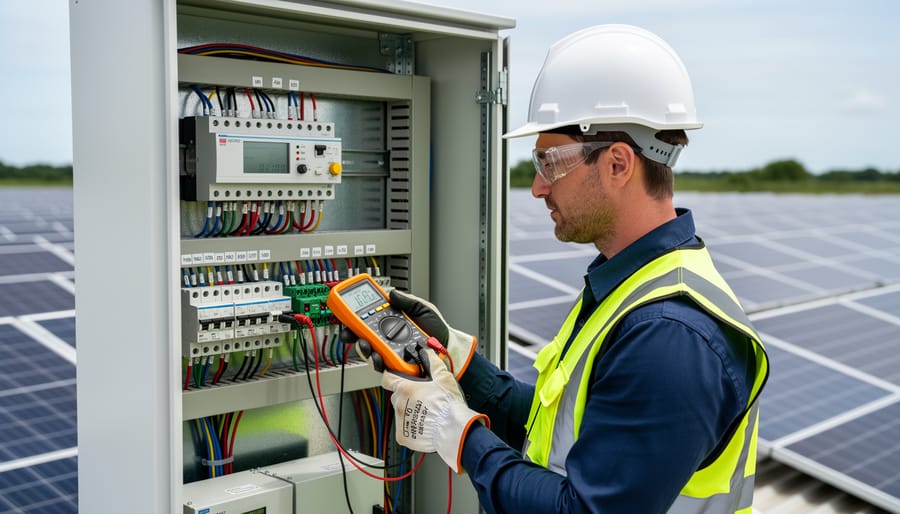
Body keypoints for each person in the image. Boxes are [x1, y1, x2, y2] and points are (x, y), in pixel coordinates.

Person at [352, 24, 770, 514]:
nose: (537, 187)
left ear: (618, 164)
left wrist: (458, 434)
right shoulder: (632, 287)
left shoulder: (670, 336)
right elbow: (562, 433)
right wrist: (462, 366)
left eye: (550, 162)